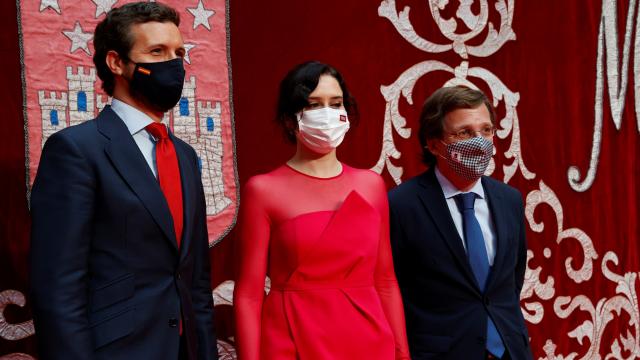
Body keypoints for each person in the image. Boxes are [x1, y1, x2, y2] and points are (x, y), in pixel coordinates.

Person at [29, 3, 217, 360]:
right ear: (116, 63)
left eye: (179, 53)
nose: (174, 64)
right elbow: (57, 288)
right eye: (157, 52)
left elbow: (196, 281)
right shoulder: (75, 150)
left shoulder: (185, 156)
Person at [233, 61, 410, 359]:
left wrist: (402, 354)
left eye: (335, 103)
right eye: (314, 105)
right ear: (291, 119)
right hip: (290, 341)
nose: (327, 113)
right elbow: (249, 295)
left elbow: (386, 280)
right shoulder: (262, 190)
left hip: (368, 341)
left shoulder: (371, 185)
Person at [388, 85, 532, 360]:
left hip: (510, 351)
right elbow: (394, 287)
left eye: (486, 130)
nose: (479, 141)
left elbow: (511, 281)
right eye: (465, 133)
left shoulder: (509, 199)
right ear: (433, 144)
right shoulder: (401, 205)